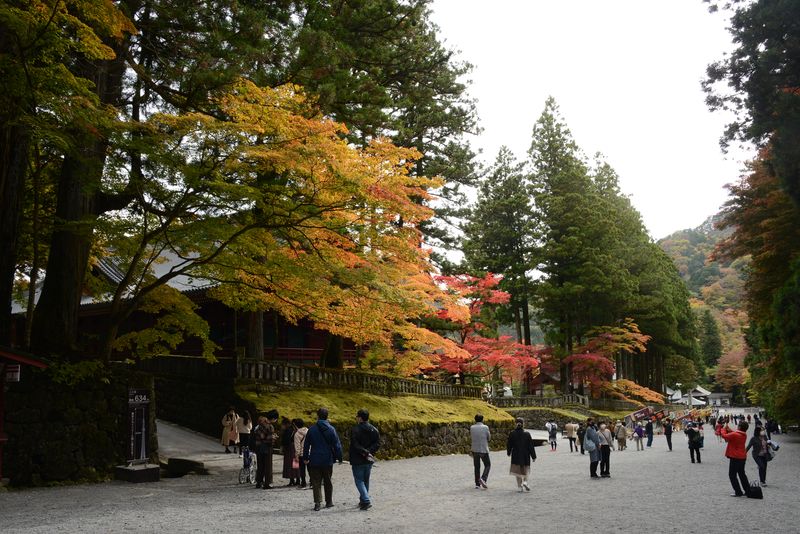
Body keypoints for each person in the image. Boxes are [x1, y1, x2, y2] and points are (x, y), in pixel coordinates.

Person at [303, 407, 343, 511]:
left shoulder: (312, 429)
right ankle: (329, 502)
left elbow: (306, 445)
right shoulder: (331, 429)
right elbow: (337, 445)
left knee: (316, 482)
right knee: (328, 481)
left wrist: (305, 457)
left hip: (315, 458)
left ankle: (317, 503)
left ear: (318, 416)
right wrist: (340, 457)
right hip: (327, 459)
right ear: (327, 416)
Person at [349, 408, 381, 510]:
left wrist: (364, 451)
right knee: (366, 480)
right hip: (369, 459)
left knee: (359, 480)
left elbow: (355, 444)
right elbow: (377, 443)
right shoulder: (374, 429)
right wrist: (369, 451)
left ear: (360, 418)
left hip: (357, 458)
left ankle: (366, 500)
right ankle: (363, 500)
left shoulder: (355, 429)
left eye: (357, 416)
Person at [720, 420, 751, 497]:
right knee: (742, 474)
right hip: (742, 457)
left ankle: (738, 491)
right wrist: (728, 428)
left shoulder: (735, 435)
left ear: (739, 427)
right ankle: (747, 491)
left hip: (735, 457)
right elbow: (734, 433)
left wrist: (723, 429)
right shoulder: (743, 434)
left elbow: (724, 435)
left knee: (732, 475)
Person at [506, 417, 536, 492]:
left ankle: (520, 486)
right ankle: (525, 481)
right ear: (523, 424)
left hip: (516, 454)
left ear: (515, 424)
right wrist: (533, 456)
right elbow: (531, 446)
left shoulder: (512, 433)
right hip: (525, 453)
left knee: (517, 471)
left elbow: (509, 444)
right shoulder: (527, 434)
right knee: (526, 469)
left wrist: (509, 452)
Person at [252, 413, 277, 489]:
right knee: (267, 466)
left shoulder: (258, 427)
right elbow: (268, 438)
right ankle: (267, 483)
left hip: (258, 447)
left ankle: (258, 482)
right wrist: (273, 437)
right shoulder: (270, 426)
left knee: (260, 465)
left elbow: (259, 436)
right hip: (267, 448)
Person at [470, 413, 491, 489]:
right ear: (482, 419)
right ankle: (483, 478)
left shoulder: (472, 427)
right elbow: (489, 438)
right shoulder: (485, 427)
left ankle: (477, 484)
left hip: (475, 449)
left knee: (477, 467)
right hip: (483, 449)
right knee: (488, 465)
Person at [280, 417, 299, 486]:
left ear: (286, 424)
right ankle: (297, 479)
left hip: (289, 448)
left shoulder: (288, 430)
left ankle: (292, 480)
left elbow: (285, 440)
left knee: (289, 463)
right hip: (294, 447)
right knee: (295, 463)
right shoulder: (294, 429)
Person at [292, 418, 308, 488]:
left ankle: (303, 483)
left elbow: (297, 446)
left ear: (295, 425)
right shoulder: (308, 431)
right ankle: (312, 483)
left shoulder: (297, 434)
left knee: (302, 469)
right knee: (310, 468)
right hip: (309, 452)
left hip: (301, 454)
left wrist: (296, 456)